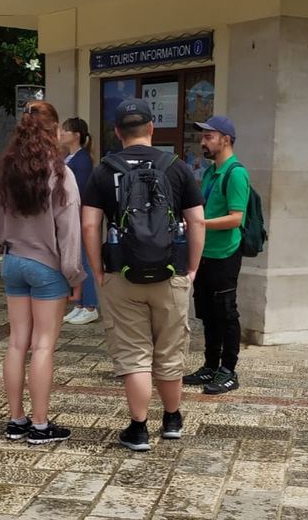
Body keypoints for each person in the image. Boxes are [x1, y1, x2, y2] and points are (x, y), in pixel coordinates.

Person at [81, 98, 205, 451]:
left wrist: (97, 269)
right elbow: (196, 221)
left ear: (118, 132)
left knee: (134, 354)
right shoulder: (177, 167)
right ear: (152, 128)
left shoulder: (104, 170)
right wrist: (192, 268)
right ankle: (172, 419)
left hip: (121, 273)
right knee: (169, 350)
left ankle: (138, 429)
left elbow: (90, 224)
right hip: (171, 273)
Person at [0, 100, 84, 443]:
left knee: (16, 343)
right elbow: (69, 230)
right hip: (46, 266)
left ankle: (16, 419)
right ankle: (41, 425)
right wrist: (74, 276)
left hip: (13, 262)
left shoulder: (5, 170)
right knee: (42, 346)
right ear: (54, 131)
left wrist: (1, 246)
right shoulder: (60, 174)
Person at [183, 116, 250, 395]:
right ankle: (210, 365)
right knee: (208, 313)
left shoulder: (236, 173)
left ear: (226, 139)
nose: (202, 142)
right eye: (202, 137)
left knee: (225, 312)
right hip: (205, 252)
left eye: (209, 137)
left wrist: (200, 224)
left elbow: (236, 218)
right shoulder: (211, 172)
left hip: (225, 253)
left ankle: (228, 370)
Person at [60, 117, 99, 325]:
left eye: (65, 131)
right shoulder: (70, 157)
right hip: (70, 217)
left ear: (76, 135)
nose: (61, 134)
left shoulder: (82, 160)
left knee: (84, 262)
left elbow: (78, 192)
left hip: (79, 216)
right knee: (76, 262)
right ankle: (80, 303)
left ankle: (90, 305)